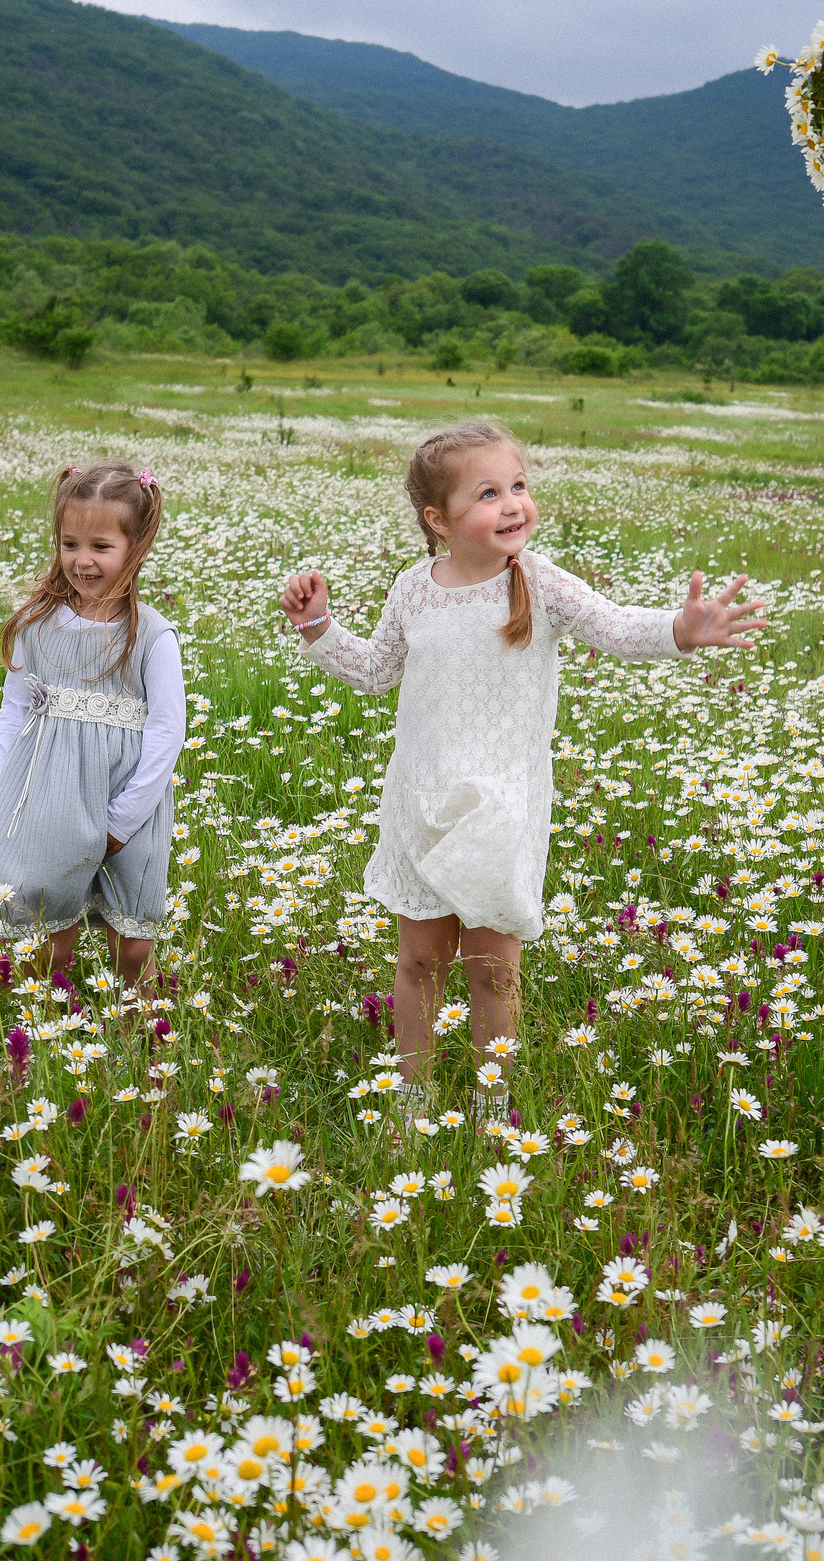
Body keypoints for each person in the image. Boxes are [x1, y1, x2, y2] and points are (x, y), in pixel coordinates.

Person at [279, 418, 765, 1101]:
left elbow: (617, 627)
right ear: (438, 519)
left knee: (491, 969)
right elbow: (373, 671)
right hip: (422, 799)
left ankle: (489, 1104)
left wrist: (682, 630)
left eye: (518, 486)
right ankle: (413, 1098)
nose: (512, 504)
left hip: (503, 807)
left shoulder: (539, 581)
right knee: (418, 961)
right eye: (487, 494)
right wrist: (319, 628)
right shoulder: (414, 589)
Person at [0, 461, 184, 998]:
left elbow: (166, 734)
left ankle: (143, 1029)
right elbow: (14, 708)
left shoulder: (153, 637)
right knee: (48, 925)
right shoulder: (36, 625)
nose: (82, 560)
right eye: (70, 544)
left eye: (101, 547)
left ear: (136, 547)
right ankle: (42, 1027)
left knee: (130, 938)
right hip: (49, 792)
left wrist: (122, 819)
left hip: (127, 797)